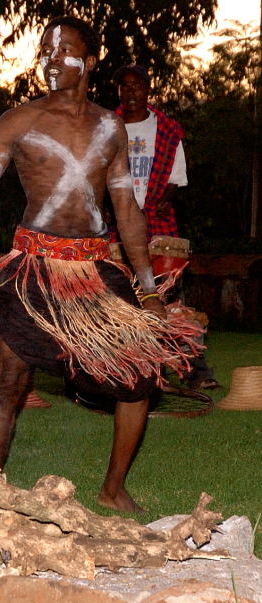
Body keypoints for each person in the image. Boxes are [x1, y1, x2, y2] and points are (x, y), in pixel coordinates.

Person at [0, 16, 199, 512]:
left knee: (139, 378)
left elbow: (127, 210)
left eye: (65, 50)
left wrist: (149, 289)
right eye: (45, 50)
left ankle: (113, 491)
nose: (52, 59)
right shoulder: (18, 120)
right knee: (10, 380)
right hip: (31, 268)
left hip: (93, 271)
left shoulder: (110, 127)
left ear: (89, 62)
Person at [113, 64, 218, 389]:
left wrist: (157, 202)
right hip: (116, 225)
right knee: (119, 299)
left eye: (137, 86)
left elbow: (176, 177)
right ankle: (122, 372)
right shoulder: (106, 125)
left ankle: (194, 372)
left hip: (158, 228)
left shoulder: (168, 129)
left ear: (148, 89)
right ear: (119, 91)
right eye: (124, 86)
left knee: (170, 299)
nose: (131, 92)